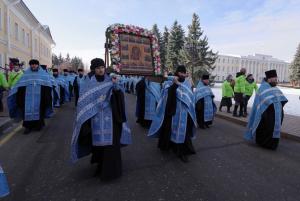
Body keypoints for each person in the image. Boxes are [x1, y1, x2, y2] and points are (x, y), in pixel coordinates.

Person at [71, 58, 132, 181]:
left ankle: (110, 171)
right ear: (94, 69)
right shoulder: (88, 84)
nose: (101, 70)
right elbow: (83, 103)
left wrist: (115, 88)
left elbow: (120, 98)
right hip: (95, 120)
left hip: (111, 119)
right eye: (98, 68)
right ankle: (100, 166)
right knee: (98, 147)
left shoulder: (111, 80)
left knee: (110, 146)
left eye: (102, 67)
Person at [148, 65, 197, 163]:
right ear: (178, 73)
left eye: (184, 73)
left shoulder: (186, 83)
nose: (184, 75)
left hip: (185, 113)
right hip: (173, 112)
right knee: (171, 130)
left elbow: (190, 96)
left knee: (184, 132)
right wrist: (175, 84)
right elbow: (166, 96)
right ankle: (176, 149)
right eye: (182, 73)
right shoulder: (168, 82)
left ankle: (184, 149)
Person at [7, 59, 55, 134]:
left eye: (35, 64)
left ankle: (38, 125)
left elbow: (47, 85)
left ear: (38, 65)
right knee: (26, 112)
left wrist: (46, 97)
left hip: (40, 98)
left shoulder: (43, 74)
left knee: (39, 111)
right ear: (30, 65)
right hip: (27, 99)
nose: (33, 66)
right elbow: (20, 85)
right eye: (32, 64)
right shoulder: (26, 74)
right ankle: (28, 127)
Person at [245, 70, 288, 150]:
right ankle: (263, 143)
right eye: (275, 79)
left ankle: (273, 144)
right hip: (266, 113)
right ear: (269, 79)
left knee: (273, 129)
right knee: (267, 128)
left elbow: (281, 97)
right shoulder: (263, 88)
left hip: (276, 113)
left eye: (276, 79)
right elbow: (261, 101)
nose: (276, 81)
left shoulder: (274, 87)